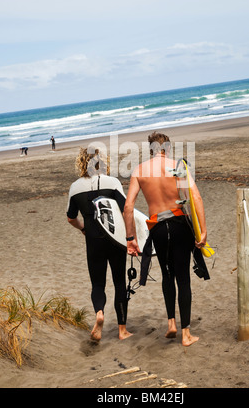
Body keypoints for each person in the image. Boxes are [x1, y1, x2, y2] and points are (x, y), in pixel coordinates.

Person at [123, 132, 208, 347]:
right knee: (183, 278)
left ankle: (171, 324)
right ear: (167, 148)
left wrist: (130, 238)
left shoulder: (139, 170)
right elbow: (195, 197)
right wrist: (203, 231)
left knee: (167, 275)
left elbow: (128, 207)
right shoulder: (177, 166)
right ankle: (186, 334)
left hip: (158, 229)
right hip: (180, 226)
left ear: (150, 149)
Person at [67, 147, 132, 342]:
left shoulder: (75, 187)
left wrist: (83, 228)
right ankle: (122, 330)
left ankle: (99, 314)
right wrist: (130, 236)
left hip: (93, 240)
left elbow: (71, 218)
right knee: (120, 282)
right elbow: (125, 209)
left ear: (81, 163)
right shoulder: (112, 182)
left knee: (97, 283)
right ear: (101, 162)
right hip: (115, 238)